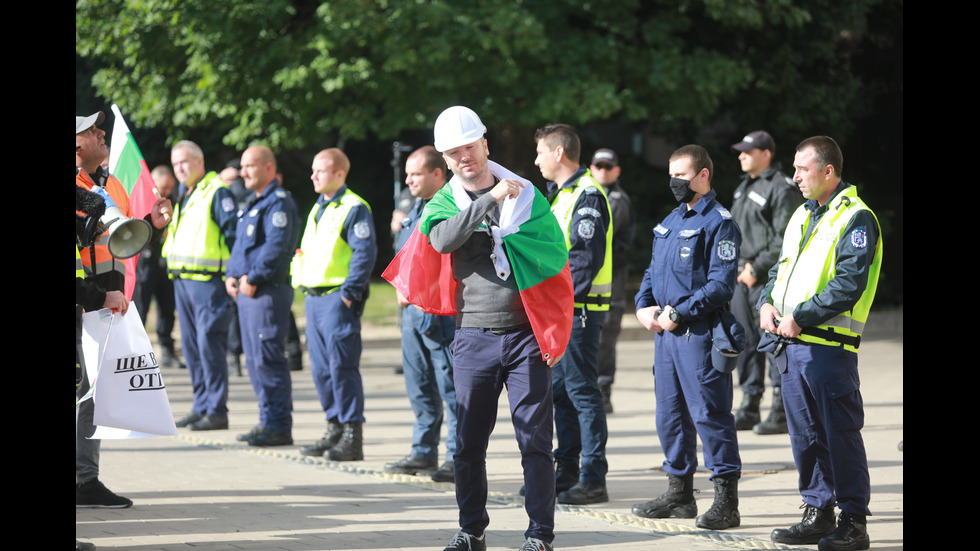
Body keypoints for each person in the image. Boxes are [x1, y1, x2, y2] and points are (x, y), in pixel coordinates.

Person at [383, 105, 573, 551]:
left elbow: (554, 255)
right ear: (446, 161)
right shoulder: (445, 202)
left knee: (535, 443)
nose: (464, 156)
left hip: (526, 335)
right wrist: (489, 201)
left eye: (470, 146)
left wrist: (552, 328)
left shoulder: (527, 195)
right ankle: (472, 531)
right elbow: (443, 239)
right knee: (467, 443)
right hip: (473, 337)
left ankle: (540, 535)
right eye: (454, 152)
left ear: (485, 144)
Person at [761, 136, 882, 551]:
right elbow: (781, 269)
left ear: (828, 171)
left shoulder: (856, 217)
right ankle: (818, 511)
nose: (794, 176)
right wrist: (765, 304)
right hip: (791, 347)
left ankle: (853, 523)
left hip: (829, 348)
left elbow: (849, 283)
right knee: (806, 437)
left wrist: (800, 316)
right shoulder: (801, 215)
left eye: (802, 169)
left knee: (840, 435)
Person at [631, 145, 742, 530]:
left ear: (703, 175)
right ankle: (679, 493)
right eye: (671, 175)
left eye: (682, 175)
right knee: (670, 415)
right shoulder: (671, 220)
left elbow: (721, 284)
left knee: (710, 414)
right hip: (666, 335)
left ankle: (726, 499)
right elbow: (651, 272)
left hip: (699, 332)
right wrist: (643, 305)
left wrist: (680, 312)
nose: (674, 183)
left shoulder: (719, 222)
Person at [76, 110, 172, 509]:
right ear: (77, 144)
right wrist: (96, 297)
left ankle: (85, 479)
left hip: (104, 300)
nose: (102, 134)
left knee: (92, 394)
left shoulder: (108, 183)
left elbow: (121, 239)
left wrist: (150, 223)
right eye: (93, 130)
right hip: (87, 298)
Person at [534, 124, 612, 506]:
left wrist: (559, 307)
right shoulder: (560, 197)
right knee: (561, 393)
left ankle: (593, 477)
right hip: (561, 311)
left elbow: (584, 260)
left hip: (579, 310)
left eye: (540, 153)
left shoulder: (587, 196)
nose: (536, 160)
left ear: (559, 153)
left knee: (582, 391)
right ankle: (566, 469)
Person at [293, 148, 378, 461]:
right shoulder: (320, 206)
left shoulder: (353, 207)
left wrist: (350, 292)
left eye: (320, 171)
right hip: (314, 299)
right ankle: (334, 427)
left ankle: (352, 436)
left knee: (342, 367)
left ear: (340, 174)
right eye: (313, 170)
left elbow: (363, 252)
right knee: (322, 370)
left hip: (336, 298)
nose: (313, 176)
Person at [383, 146, 457, 482]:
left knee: (451, 386)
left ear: (437, 174)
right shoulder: (415, 208)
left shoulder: (451, 206)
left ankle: (457, 457)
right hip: (412, 313)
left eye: (416, 174)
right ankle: (423, 451)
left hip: (438, 311)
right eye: (408, 174)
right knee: (419, 384)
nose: (408, 180)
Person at [226, 145, 300, 447]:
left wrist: (253, 278)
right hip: (247, 292)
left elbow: (276, 247)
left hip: (266, 291)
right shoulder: (253, 202)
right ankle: (267, 420)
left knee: (268, 358)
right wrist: (232, 276)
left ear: (269, 168)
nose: (243, 172)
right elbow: (241, 247)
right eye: (243, 167)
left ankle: (279, 425)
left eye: (249, 166)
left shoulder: (278, 203)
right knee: (255, 360)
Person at [729, 131, 802, 434]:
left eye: (748, 151)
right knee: (744, 342)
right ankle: (749, 404)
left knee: (772, 344)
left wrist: (756, 269)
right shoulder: (743, 187)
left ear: (766, 153)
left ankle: (781, 410)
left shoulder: (781, 187)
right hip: (739, 277)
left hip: (764, 278)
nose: (741, 155)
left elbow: (784, 237)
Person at [165, 141, 239, 431]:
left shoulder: (217, 191)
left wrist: (234, 273)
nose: (180, 168)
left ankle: (217, 411)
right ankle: (201, 405)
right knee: (193, 348)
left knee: (210, 346)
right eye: (175, 164)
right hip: (183, 281)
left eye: (184, 162)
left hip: (209, 283)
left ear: (199, 160)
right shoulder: (187, 194)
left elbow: (233, 236)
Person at [589, 148, 635, 414]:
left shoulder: (617, 200)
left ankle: (604, 390)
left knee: (605, 339)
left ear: (616, 170)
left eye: (608, 166)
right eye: (599, 166)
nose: (603, 170)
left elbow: (601, 239)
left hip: (611, 283)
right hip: (593, 283)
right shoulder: (591, 197)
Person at [132, 165, 184, 369]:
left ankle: (167, 351)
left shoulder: (174, 202)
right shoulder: (141, 200)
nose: (167, 192)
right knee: (141, 308)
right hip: (145, 262)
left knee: (167, 308)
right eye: (163, 188)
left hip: (165, 263)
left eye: (170, 188)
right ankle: (136, 354)